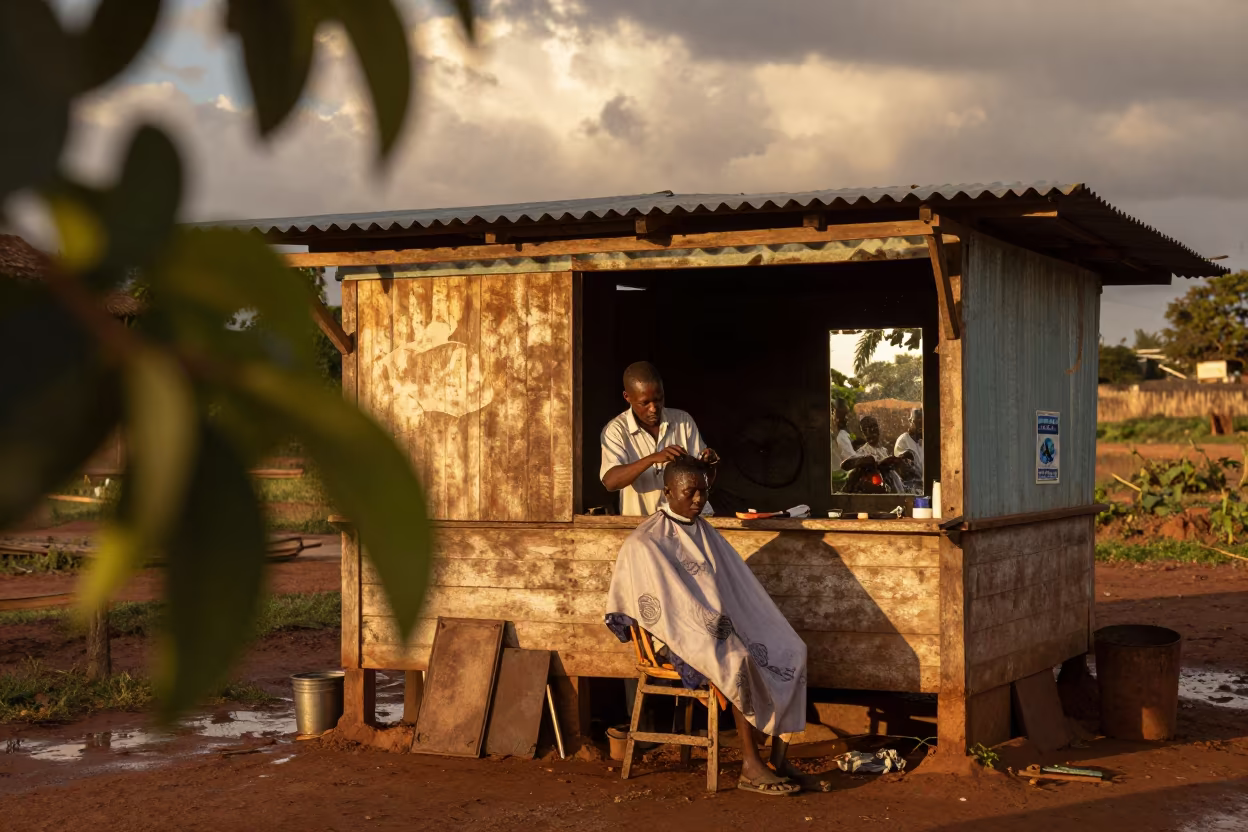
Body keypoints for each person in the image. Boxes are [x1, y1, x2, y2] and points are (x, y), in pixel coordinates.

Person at [604, 457, 807, 796]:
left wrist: (735, 622)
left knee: (790, 648)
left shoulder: (703, 530)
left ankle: (779, 758)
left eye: (703, 492)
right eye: (690, 492)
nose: (698, 500)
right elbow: (661, 608)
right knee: (738, 657)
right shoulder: (645, 542)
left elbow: (733, 587)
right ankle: (750, 766)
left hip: (714, 625)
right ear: (668, 492)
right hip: (673, 635)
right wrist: (713, 626)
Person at [600, 361, 718, 516]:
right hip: (643, 524)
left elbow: (705, 480)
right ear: (627, 397)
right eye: (645, 403)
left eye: (658, 399)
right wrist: (652, 459)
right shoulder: (616, 430)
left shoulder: (683, 420)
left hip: (688, 522)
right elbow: (611, 481)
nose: (654, 408)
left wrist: (709, 464)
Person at [841, 414, 907, 493]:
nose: (871, 431)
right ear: (863, 433)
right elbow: (846, 466)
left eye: (874, 427)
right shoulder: (863, 452)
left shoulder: (884, 451)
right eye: (866, 429)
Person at [893, 408, 924, 494]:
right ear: (910, 421)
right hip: (909, 489)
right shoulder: (903, 441)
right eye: (917, 422)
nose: (920, 426)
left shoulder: (922, 442)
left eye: (922, 422)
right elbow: (902, 468)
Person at [830, 398, 856, 475]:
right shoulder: (841, 436)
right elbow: (852, 459)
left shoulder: (842, 435)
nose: (848, 418)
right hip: (839, 476)